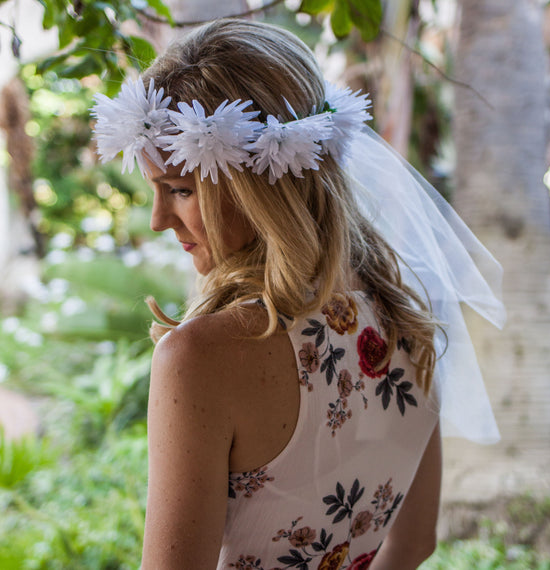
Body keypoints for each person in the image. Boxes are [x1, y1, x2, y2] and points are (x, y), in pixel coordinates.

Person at [92, 18, 505, 570]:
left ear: (261, 185)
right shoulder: (406, 312)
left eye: (181, 189)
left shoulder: (200, 356)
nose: (157, 220)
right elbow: (413, 544)